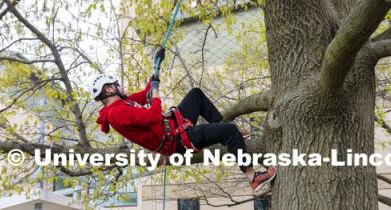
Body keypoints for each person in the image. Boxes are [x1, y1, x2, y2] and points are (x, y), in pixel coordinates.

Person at [90, 48, 276, 193]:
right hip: (176, 141)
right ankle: (252, 176)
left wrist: (157, 67)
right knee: (230, 131)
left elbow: (144, 94)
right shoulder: (116, 114)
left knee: (196, 95)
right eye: (116, 84)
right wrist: (156, 92)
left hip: (173, 127)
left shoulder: (122, 104)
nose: (120, 87)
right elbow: (153, 115)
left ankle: (223, 128)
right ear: (108, 90)